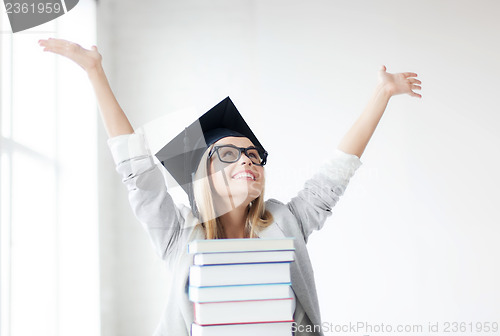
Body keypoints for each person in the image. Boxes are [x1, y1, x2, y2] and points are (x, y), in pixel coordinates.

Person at [38, 38, 422, 336]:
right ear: (203, 175)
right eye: (230, 155)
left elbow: (333, 176)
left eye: (253, 155)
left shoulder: (286, 224)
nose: (247, 161)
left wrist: (382, 94)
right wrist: (95, 72)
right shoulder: (179, 237)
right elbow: (138, 174)